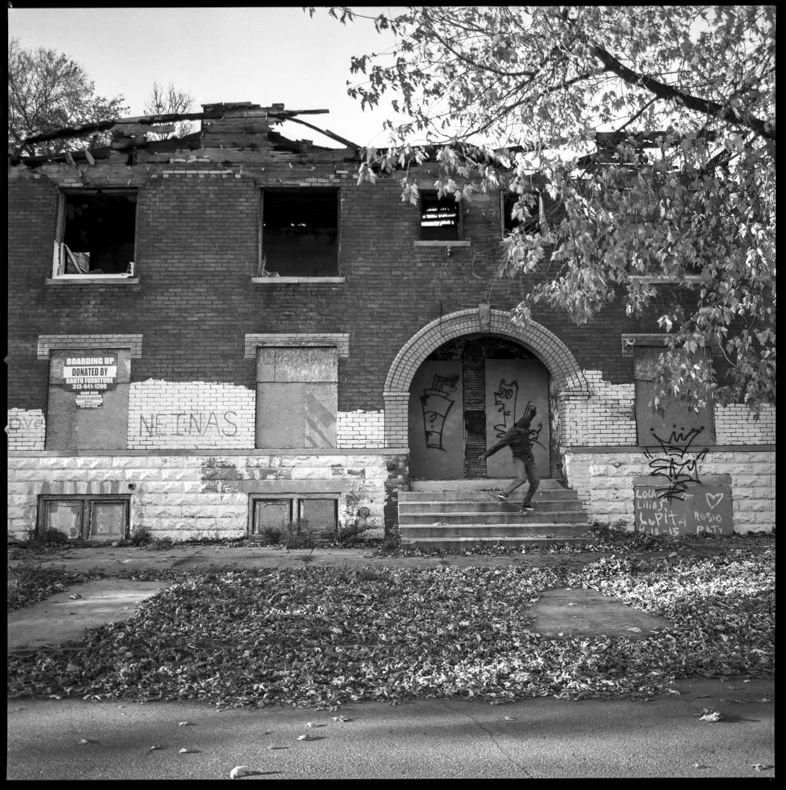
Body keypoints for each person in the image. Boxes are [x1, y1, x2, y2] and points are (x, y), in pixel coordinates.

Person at [478, 405, 540, 510]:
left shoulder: (524, 423)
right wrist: (485, 455)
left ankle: (526, 502)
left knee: (535, 482)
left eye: (527, 429)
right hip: (518, 459)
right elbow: (497, 446)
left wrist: (532, 410)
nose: (526, 432)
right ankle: (504, 493)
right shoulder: (510, 435)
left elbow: (530, 416)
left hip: (529, 458)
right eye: (524, 430)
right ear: (519, 428)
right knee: (522, 479)